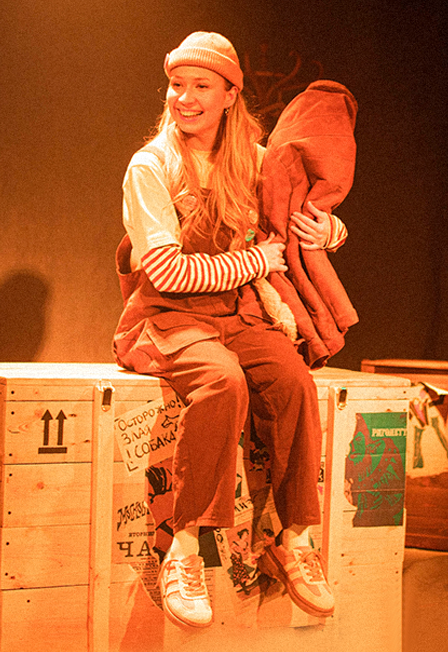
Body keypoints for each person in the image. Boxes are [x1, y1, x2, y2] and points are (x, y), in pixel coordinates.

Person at [113, 31, 345, 629]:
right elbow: (165, 270)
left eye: (201, 86)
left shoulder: (256, 159)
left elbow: (308, 217)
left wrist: (328, 231)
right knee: (222, 383)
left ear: (230, 95)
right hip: (170, 314)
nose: (184, 98)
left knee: (293, 381)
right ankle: (185, 546)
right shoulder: (152, 165)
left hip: (239, 314)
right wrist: (253, 262)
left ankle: (295, 538)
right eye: (177, 84)